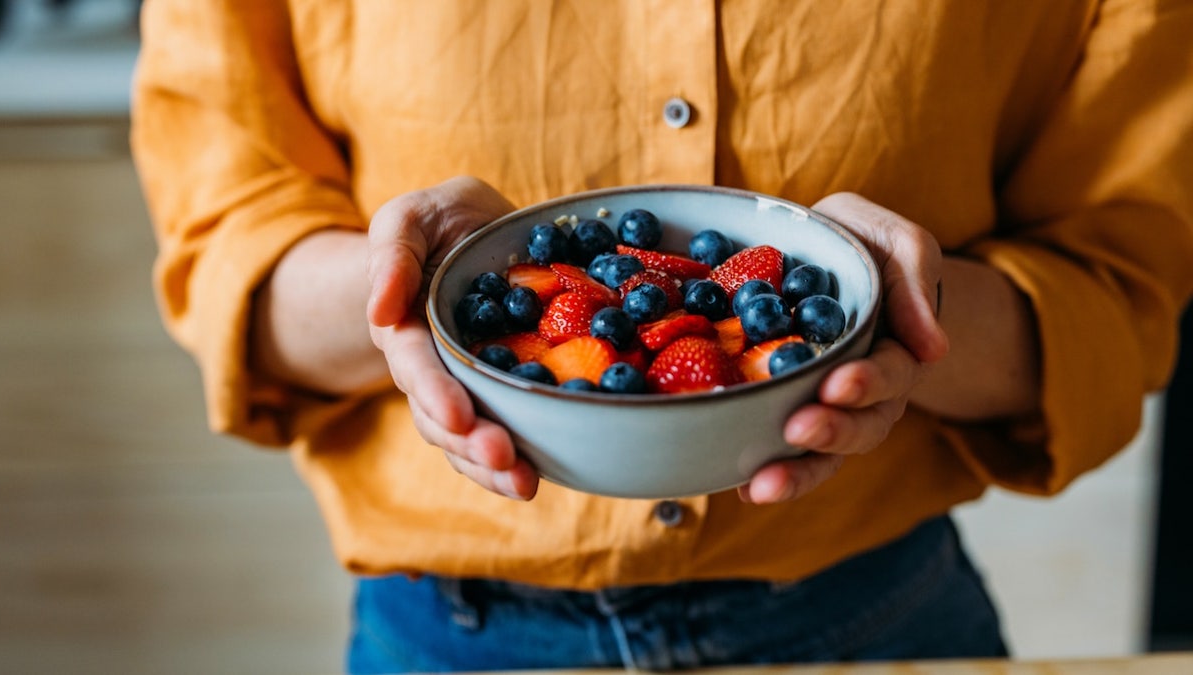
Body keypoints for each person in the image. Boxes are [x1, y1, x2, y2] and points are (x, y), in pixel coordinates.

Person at [130, 1, 1193, 672]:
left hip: (879, 621)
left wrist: (898, 314)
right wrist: (403, 291)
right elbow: (230, 260)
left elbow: (1118, 292)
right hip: (452, 638)